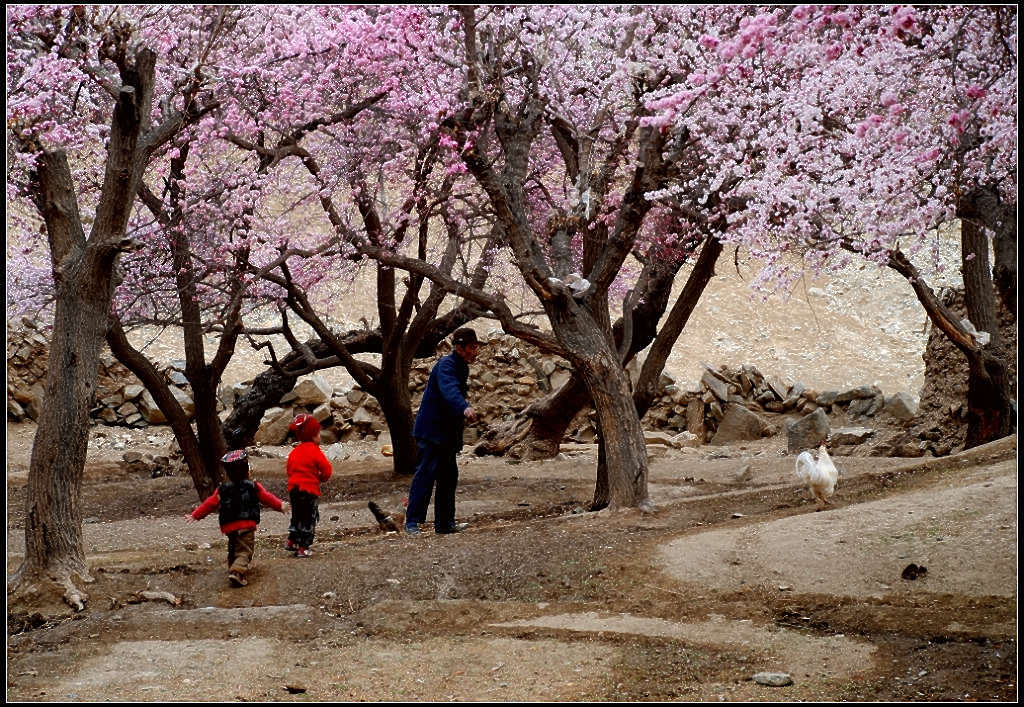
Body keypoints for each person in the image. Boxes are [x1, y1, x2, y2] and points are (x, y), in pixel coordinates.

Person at [405, 327, 481, 536]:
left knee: (448, 477)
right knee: (425, 475)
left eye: (476, 347)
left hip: (446, 435)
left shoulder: (461, 366)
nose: (475, 352)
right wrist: (464, 407)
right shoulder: (446, 365)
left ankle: (445, 523)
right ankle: (412, 522)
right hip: (432, 433)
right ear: (460, 348)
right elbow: (450, 391)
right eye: (472, 348)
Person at [185, 450, 288, 587]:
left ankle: (232, 568)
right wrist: (280, 506)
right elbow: (267, 498)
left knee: (233, 548)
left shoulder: (222, 489)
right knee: (245, 551)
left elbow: (210, 503)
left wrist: (195, 515)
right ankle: (237, 571)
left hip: (229, 527)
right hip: (246, 525)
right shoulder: (253, 486)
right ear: (247, 471)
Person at [286, 413, 333, 557]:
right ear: (313, 436)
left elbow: (289, 469)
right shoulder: (315, 451)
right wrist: (320, 478)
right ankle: (303, 547)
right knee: (308, 518)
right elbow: (327, 470)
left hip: (294, 490)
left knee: (297, 515)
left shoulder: (294, 452)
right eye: (318, 433)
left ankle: (292, 540)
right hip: (309, 490)